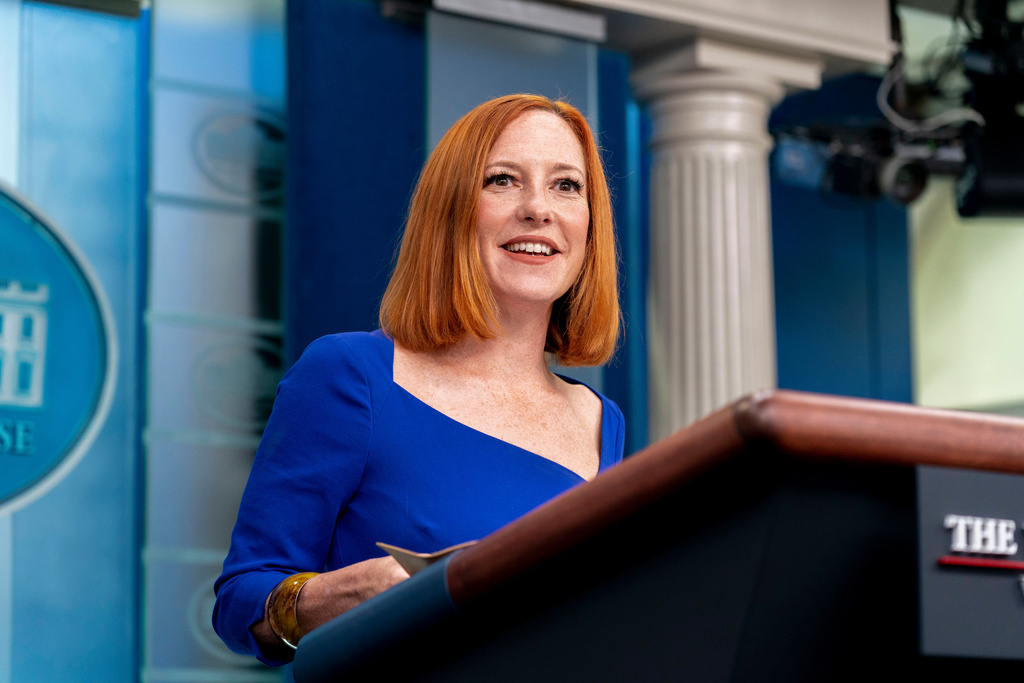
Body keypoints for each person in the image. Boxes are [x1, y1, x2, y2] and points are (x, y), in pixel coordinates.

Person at [213, 93, 624, 665]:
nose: (539, 209)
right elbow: (240, 601)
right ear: (451, 210)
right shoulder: (349, 376)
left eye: (566, 186)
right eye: (502, 180)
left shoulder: (602, 422)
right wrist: (344, 594)